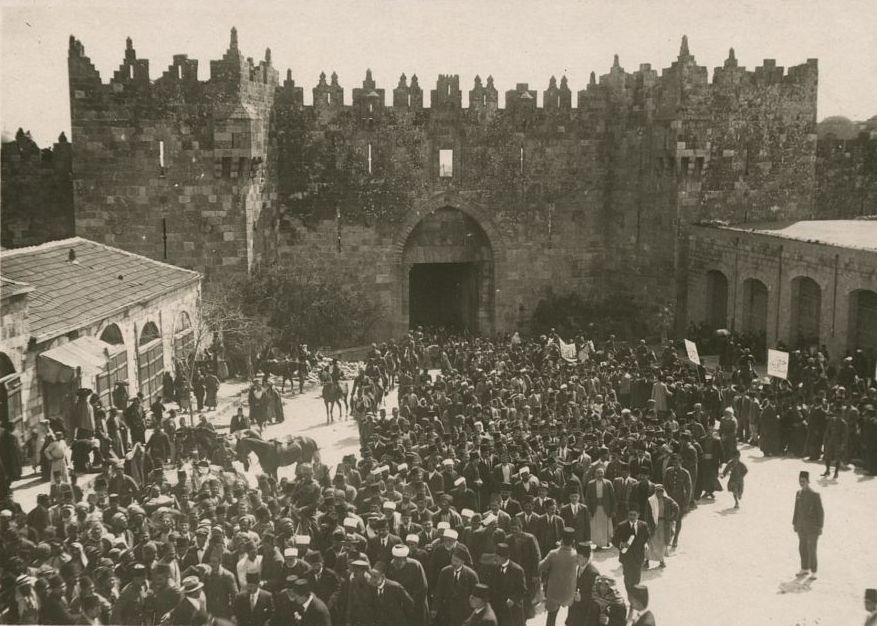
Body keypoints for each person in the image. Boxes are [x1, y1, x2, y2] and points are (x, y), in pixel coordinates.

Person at [538, 527, 578, 626]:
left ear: (561, 540)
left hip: (554, 592)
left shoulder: (553, 553)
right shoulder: (576, 555)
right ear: (573, 541)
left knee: (551, 618)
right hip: (569, 592)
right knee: (571, 618)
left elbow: (540, 567)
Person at [792, 471, 824, 579]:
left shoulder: (814, 495)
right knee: (802, 547)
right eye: (800, 481)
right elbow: (796, 510)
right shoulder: (798, 493)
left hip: (812, 528)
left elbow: (820, 512)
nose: (801, 483)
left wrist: (820, 527)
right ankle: (804, 568)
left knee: (811, 549)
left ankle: (814, 571)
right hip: (801, 526)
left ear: (808, 481)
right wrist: (794, 523)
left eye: (803, 481)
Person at [612, 508, 649, 591]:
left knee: (637, 578)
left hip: (638, 556)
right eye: (630, 515)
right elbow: (614, 540)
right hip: (627, 557)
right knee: (628, 578)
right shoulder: (621, 526)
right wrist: (621, 544)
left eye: (634, 515)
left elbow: (647, 537)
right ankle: (629, 593)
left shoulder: (643, 525)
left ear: (638, 515)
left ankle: (635, 594)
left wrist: (645, 544)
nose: (632, 517)